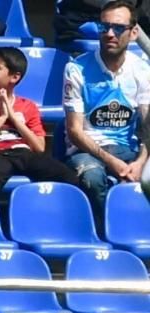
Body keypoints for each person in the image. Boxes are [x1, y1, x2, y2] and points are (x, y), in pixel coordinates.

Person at [63, 0, 150, 222]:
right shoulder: (76, 68)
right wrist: (114, 163)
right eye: (104, 27)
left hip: (128, 149)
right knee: (92, 178)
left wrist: (139, 163)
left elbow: (147, 123)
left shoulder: (141, 69)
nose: (110, 33)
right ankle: (107, 231)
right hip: (88, 148)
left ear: (133, 33)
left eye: (119, 28)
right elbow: (74, 131)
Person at [0, 47, 79, 197]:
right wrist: (2, 118)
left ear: (14, 77)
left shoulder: (28, 106)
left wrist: (14, 119)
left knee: (68, 177)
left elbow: (39, 147)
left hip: (22, 153)